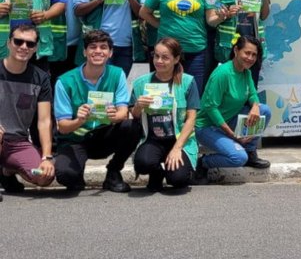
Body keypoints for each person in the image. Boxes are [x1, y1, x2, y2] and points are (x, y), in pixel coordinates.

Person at [54, 29, 142, 192]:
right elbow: (62, 127)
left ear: (110, 53)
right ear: (84, 52)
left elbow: (123, 112)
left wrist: (115, 116)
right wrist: (79, 120)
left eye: (103, 47)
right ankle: (76, 173)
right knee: (66, 176)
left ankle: (114, 171)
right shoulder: (64, 81)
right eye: (93, 47)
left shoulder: (117, 74)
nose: (98, 51)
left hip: (104, 135)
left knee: (132, 126)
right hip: (76, 139)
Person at [139, 0, 229, 95]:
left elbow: (211, 20)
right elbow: (144, 12)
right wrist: (161, 25)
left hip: (196, 51)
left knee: (193, 94)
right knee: (165, 94)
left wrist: (221, 17)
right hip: (166, 53)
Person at [194, 35, 272, 184]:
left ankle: (250, 151)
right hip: (207, 127)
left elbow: (252, 93)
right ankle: (203, 163)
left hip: (229, 120)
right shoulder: (222, 74)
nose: (250, 58)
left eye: (254, 55)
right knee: (237, 158)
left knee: (264, 110)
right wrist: (232, 135)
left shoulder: (245, 72)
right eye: (247, 53)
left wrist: (255, 106)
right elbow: (211, 107)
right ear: (236, 50)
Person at [130, 38, 199, 192]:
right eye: (156, 56)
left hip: (179, 140)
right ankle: (157, 173)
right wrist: (138, 106)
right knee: (142, 164)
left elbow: (191, 119)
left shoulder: (188, 82)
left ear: (176, 59)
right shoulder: (141, 83)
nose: (159, 61)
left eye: (165, 57)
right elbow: (134, 116)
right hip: (153, 139)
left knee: (178, 179)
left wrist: (177, 148)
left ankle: (179, 169)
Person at [0, 25, 56, 199]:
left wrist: (47, 157)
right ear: (9, 43)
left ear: (35, 48)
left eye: (30, 44)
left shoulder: (41, 78)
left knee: (44, 177)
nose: (24, 47)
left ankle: (6, 171)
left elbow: (44, 121)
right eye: (18, 41)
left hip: (18, 142)